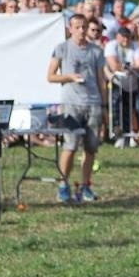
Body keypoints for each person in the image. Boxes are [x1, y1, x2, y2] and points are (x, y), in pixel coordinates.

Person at [45, 14, 107, 203]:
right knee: (70, 145)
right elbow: (50, 76)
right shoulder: (62, 48)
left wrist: (104, 105)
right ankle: (63, 185)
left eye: (84, 27)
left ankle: (86, 185)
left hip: (93, 102)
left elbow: (101, 80)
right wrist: (69, 77)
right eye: (77, 27)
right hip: (71, 103)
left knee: (91, 148)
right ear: (70, 29)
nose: (81, 30)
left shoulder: (96, 51)